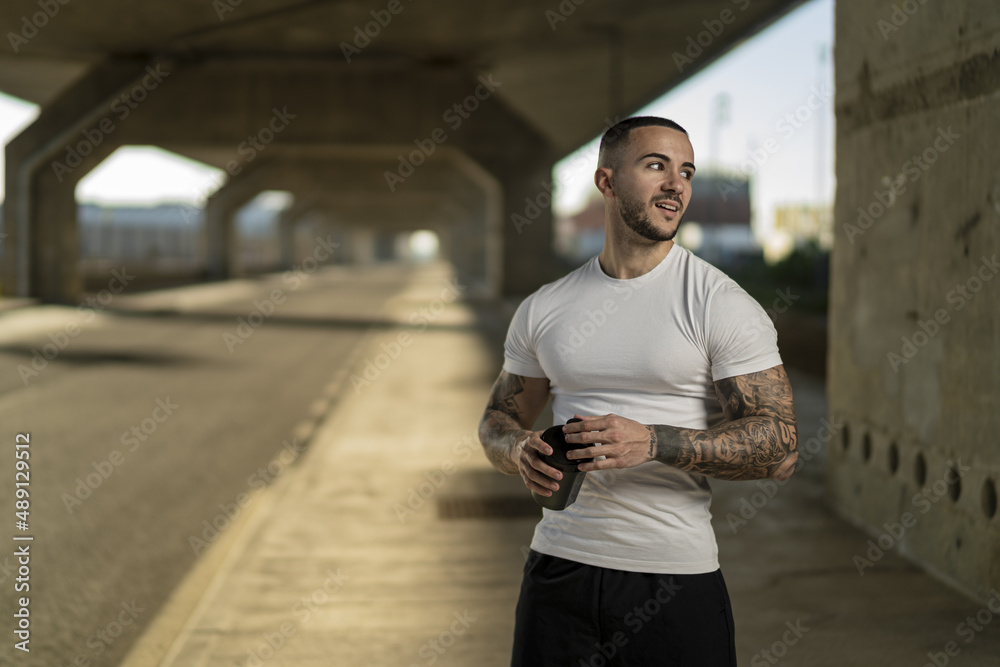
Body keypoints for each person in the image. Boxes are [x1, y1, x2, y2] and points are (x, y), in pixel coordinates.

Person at [477, 116, 799, 666]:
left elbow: (781, 449)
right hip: (557, 573)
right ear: (607, 182)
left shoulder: (717, 303)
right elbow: (497, 420)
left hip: (672, 578)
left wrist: (653, 442)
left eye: (687, 172)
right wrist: (517, 451)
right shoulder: (546, 307)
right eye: (656, 166)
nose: (677, 185)